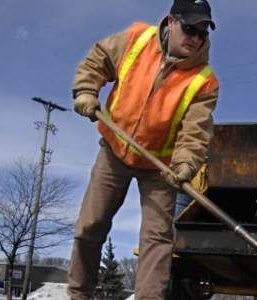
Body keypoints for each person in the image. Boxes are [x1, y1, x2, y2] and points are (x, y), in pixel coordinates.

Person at [67, 0, 219, 299]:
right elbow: (98, 59)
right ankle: (78, 294)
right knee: (90, 226)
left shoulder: (205, 80)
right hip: (114, 150)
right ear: (172, 22)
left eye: (202, 33)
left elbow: (195, 132)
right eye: (189, 28)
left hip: (160, 168)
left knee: (157, 238)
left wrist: (185, 166)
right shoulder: (136, 38)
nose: (194, 38)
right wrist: (86, 89)